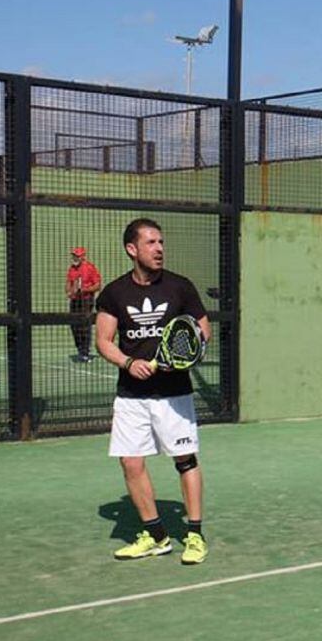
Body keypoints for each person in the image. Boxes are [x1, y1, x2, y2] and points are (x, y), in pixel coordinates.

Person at [94, 218, 212, 564]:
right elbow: (103, 341)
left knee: (185, 460)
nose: (159, 248)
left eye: (161, 242)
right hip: (131, 396)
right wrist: (128, 363)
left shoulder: (181, 287)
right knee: (131, 463)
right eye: (151, 243)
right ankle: (157, 536)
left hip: (174, 395)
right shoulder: (115, 293)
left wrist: (179, 359)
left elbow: (201, 331)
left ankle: (195, 535)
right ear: (132, 249)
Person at [65, 247, 102, 362]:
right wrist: (69, 292)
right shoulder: (72, 269)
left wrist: (84, 290)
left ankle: (85, 352)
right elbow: (68, 283)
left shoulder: (89, 268)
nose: (75, 258)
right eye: (74, 255)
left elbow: (98, 285)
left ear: (83, 257)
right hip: (75, 301)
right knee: (74, 325)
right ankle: (80, 350)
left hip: (86, 301)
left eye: (77, 255)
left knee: (84, 326)